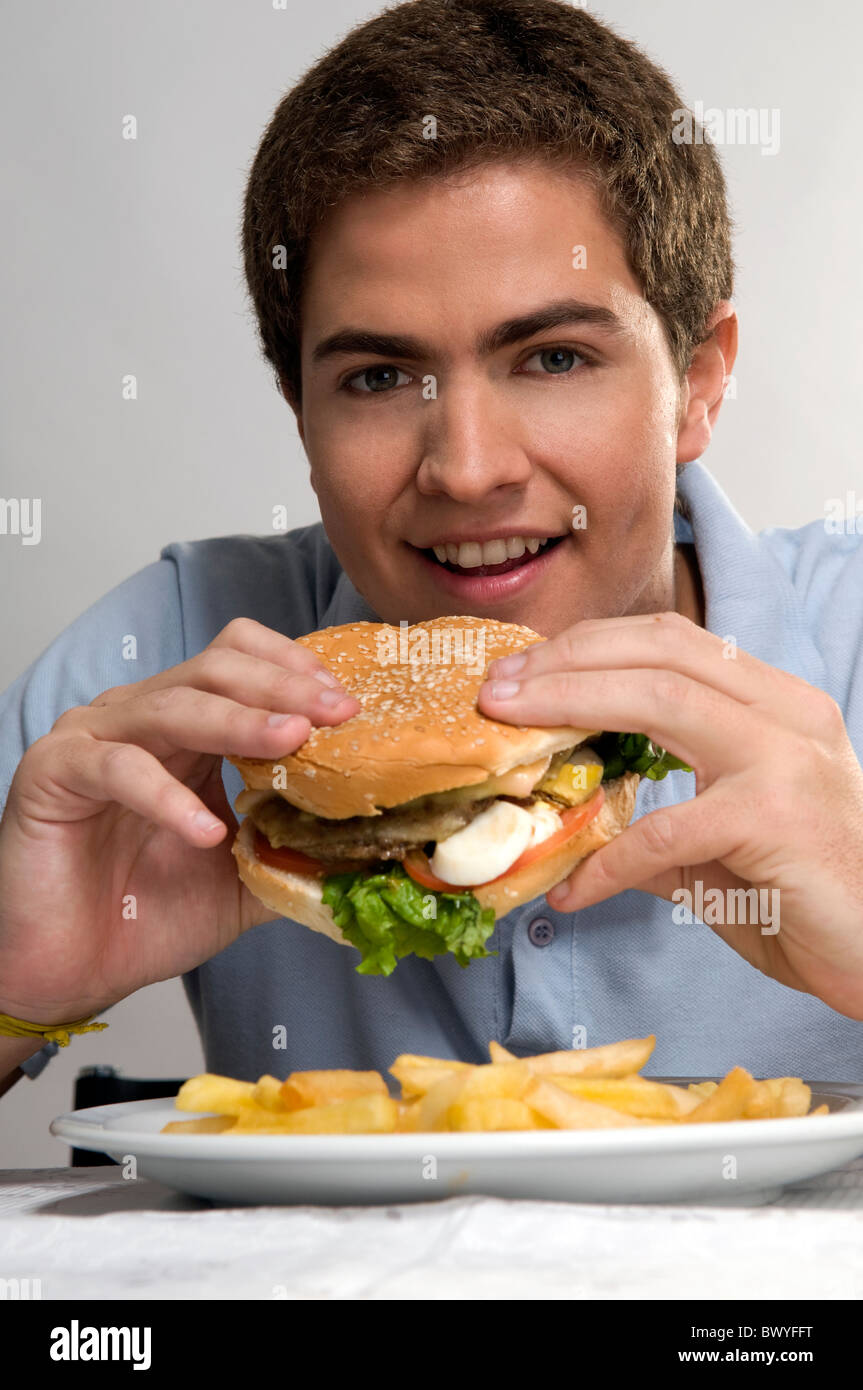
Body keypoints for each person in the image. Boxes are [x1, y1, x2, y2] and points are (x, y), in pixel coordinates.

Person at [2, 0, 862, 1103]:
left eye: (552, 358)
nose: (463, 468)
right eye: (374, 378)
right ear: (298, 408)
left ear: (696, 381)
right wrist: (19, 988)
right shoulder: (166, 670)